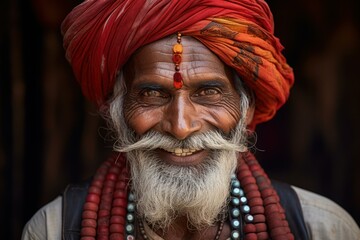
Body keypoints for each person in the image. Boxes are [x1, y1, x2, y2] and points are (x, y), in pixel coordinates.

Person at [22, 0, 360, 239]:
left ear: (244, 108)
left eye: (209, 92)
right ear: (117, 110)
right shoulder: (54, 229)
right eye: (152, 94)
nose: (181, 126)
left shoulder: (324, 229)